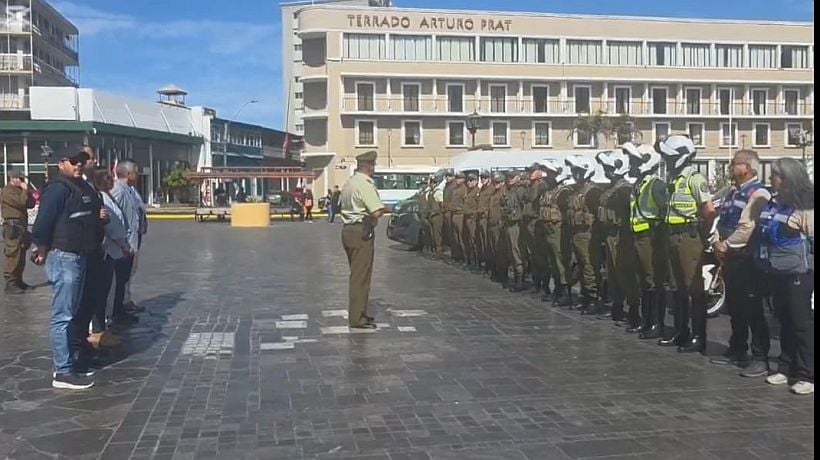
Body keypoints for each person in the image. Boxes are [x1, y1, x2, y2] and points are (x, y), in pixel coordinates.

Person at [31, 149, 100, 390]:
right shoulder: (58, 189)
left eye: (81, 161)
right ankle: (62, 371)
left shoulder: (81, 187)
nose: (79, 165)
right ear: (61, 164)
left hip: (80, 256)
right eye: (73, 161)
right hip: (64, 257)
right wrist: (41, 247)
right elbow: (43, 223)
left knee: (74, 313)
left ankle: (70, 363)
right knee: (63, 316)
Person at [752, 158, 814, 395]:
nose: (771, 179)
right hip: (776, 269)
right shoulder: (775, 202)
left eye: (775, 175)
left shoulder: (806, 205)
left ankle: (807, 373)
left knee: (801, 322)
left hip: (799, 271)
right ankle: (787, 367)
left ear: (787, 178)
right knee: (784, 319)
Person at [710, 150, 772, 377]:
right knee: (735, 306)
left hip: (747, 258)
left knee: (753, 307)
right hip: (732, 257)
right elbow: (721, 220)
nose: (730, 167)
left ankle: (760, 357)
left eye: (735, 163)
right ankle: (737, 348)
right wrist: (717, 241)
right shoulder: (733, 192)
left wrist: (725, 245)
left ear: (748, 168)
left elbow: (747, 228)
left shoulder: (758, 193)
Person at [657, 135, 715, 354]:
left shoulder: (694, 178)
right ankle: (681, 331)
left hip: (689, 237)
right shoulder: (673, 179)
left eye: (670, 157)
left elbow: (709, 211)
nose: (667, 161)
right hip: (672, 235)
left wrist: (702, 235)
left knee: (693, 288)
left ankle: (699, 336)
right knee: (676, 286)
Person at [622, 143, 668, 336]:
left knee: (653, 281)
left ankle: (656, 322)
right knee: (643, 281)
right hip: (638, 237)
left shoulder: (656, 184)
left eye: (635, 161)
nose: (632, 165)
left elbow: (665, 211)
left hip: (651, 237)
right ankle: (647, 320)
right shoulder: (640, 184)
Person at [340, 150, 386, 329]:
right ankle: (357, 318)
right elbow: (376, 211)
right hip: (361, 231)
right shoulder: (365, 184)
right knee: (361, 277)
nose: (374, 169)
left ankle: (360, 312)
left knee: (357, 274)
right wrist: (387, 209)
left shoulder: (350, 182)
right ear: (369, 166)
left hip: (348, 230)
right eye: (373, 165)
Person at [597, 149, 641, 326]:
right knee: (613, 274)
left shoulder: (625, 189)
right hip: (610, 235)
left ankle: (632, 310)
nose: (606, 171)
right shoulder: (611, 188)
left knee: (625, 274)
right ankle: (617, 307)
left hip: (621, 236)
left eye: (609, 168)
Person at [89, 169, 131, 347]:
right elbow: (111, 225)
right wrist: (123, 244)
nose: (111, 182)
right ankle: (98, 329)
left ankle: (104, 326)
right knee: (104, 290)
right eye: (107, 179)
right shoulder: (102, 198)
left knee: (110, 288)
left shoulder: (109, 197)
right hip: (108, 248)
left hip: (114, 249)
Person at [565, 155, 605, 313]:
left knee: (589, 266)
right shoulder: (576, 191)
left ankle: (594, 297)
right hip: (576, 233)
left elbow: (598, 215)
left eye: (578, 171)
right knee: (581, 266)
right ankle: (585, 295)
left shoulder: (593, 191)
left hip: (588, 234)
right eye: (574, 171)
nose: (575, 174)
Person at [111, 160, 143, 326]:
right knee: (119, 279)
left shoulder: (129, 190)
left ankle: (121, 308)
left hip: (131, 241)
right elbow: (113, 212)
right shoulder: (118, 190)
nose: (138, 175)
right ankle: (116, 312)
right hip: (123, 243)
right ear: (129, 174)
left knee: (125, 277)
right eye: (136, 172)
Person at [539, 160, 573, 307]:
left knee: (561, 261)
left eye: (550, 173)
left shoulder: (563, 191)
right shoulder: (548, 191)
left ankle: (565, 290)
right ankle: (558, 287)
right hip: (547, 230)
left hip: (558, 230)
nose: (547, 176)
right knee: (552, 262)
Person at [2, 169, 35, 294]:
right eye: (20, 179)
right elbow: (21, 203)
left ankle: (18, 280)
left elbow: (30, 204)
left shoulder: (20, 191)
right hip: (12, 225)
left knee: (21, 254)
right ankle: (10, 282)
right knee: (13, 254)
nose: (22, 181)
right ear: (13, 179)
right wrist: (25, 191)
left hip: (21, 225)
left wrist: (28, 192)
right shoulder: (6, 192)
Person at [502, 171, 527, 291]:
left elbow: (525, 205)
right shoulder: (510, 190)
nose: (509, 179)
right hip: (509, 223)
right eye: (508, 177)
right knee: (512, 252)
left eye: (512, 177)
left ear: (518, 177)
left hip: (517, 224)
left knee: (517, 251)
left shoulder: (520, 190)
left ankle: (520, 280)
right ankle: (517, 278)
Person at [462, 174, 480, 271]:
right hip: (467, 218)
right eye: (468, 180)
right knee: (468, 240)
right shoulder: (468, 191)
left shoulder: (477, 192)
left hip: (473, 219)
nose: (469, 182)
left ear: (476, 181)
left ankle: (477, 263)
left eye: (471, 180)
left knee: (474, 241)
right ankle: (471, 261)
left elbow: (478, 206)